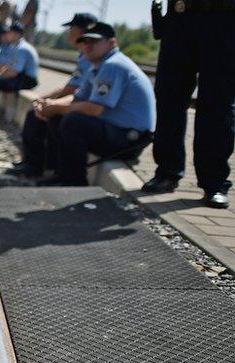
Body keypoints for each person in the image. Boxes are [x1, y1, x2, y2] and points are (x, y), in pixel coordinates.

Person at [35, 22, 155, 187]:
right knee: (60, 117)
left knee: (73, 122)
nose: (88, 45)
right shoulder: (98, 67)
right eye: (85, 41)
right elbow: (77, 98)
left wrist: (56, 107)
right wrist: (51, 104)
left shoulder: (113, 66)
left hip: (130, 139)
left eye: (94, 41)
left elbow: (94, 109)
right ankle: (60, 175)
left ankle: (75, 183)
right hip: (117, 132)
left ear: (112, 43)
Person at [142, 0, 235, 208]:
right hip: (180, 17)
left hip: (224, 18)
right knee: (168, 99)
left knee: (217, 104)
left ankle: (214, 183)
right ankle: (167, 173)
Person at [6, 12, 96, 178]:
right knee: (38, 112)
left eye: (72, 28)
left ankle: (36, 166)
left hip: (85, 108)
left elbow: (72, 90)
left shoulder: (88, 57)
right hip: (80, 102)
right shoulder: (85, 55)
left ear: (82, 31)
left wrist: (50, 104)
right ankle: (36, 164)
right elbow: (70, 87)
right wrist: (45, 99)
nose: (69, 32)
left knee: (39, 116)